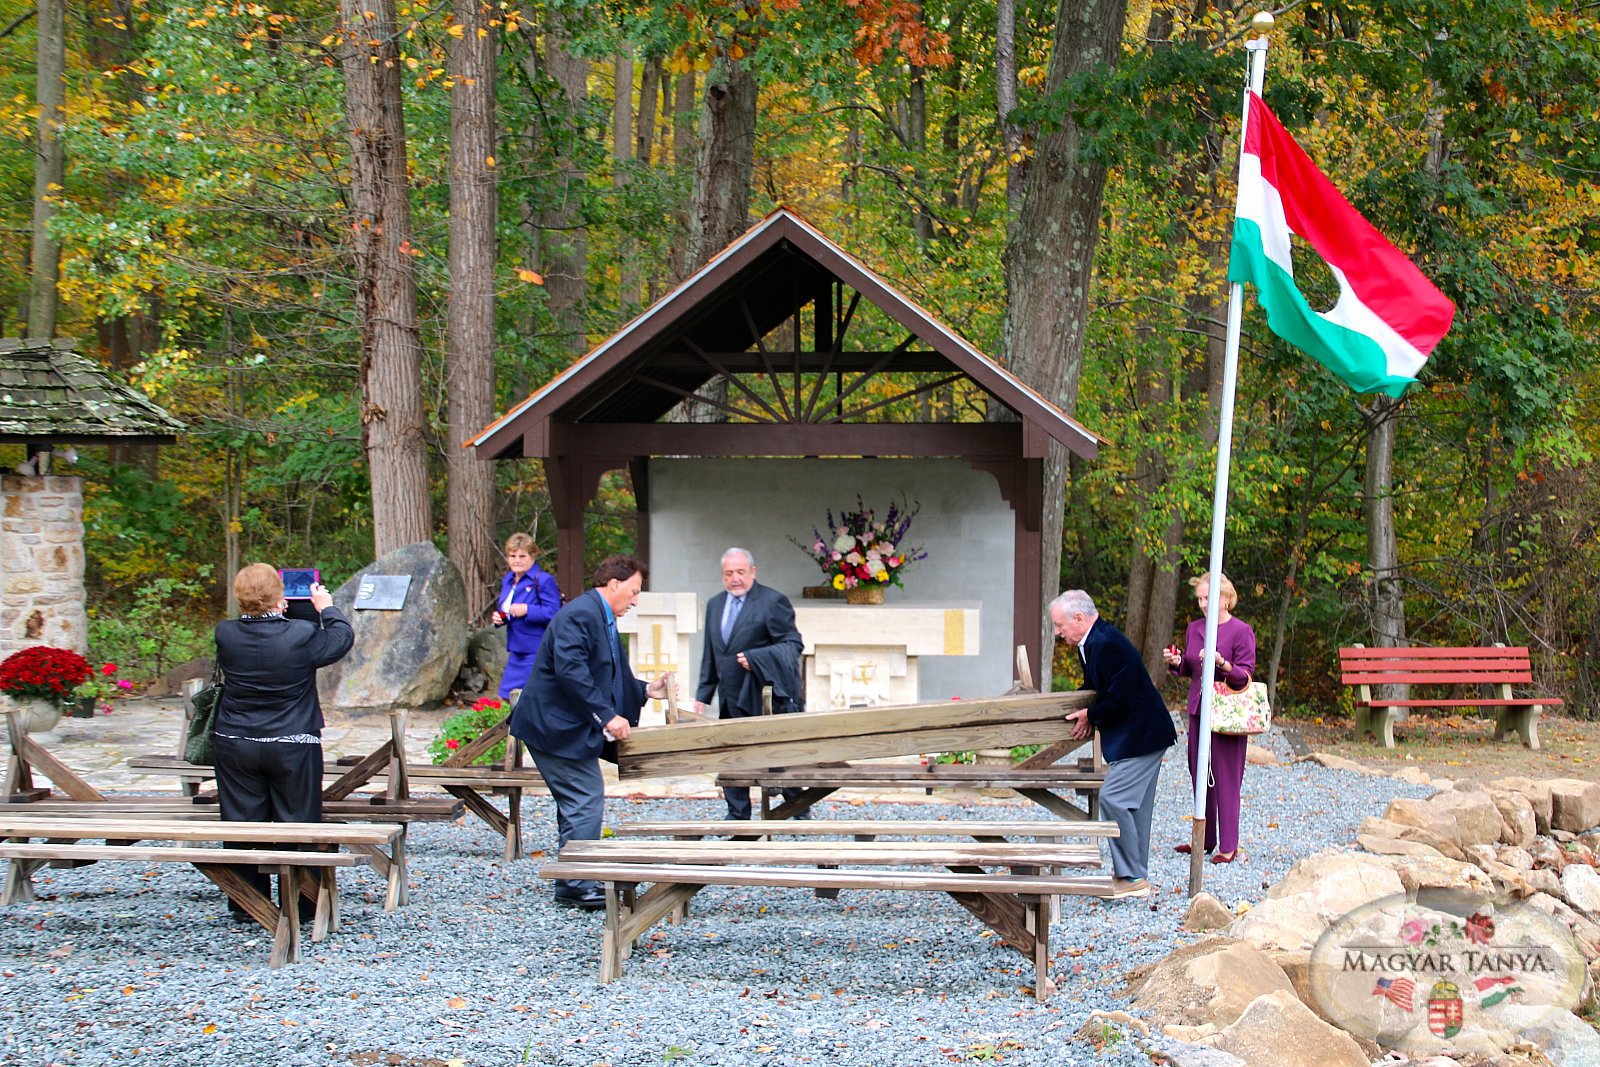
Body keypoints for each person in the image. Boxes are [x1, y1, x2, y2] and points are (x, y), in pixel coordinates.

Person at [510, 555, 668, 911]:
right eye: (633, 591)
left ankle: (575, 876)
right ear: (613, 584)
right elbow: (571, 671)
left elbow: (606, 673)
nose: (635, 600)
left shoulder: (601, 616)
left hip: (561, 725)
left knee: (577, 799)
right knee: (585, 795)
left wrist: (644, 690)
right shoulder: (581, 614)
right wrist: (606, 716)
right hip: (551, 727)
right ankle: (576, 882)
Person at [213, 563, 355, 916]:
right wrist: (327, 608)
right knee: (299, 820)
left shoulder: (225, 634)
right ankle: (303, 904)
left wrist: (278, 611)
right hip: (293, 741)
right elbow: (341, 640)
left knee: (241, 822)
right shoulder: (302, 633)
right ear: (280, 597)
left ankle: (248, 903)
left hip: (235, 740)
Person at [1053, 589, 1176, 897]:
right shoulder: (1092, 642)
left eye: (1060, 625)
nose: (1058, 632)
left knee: (1114, 798)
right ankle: (1136, 877)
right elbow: (1097, 687)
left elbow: (1120, 699)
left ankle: (1132, 875)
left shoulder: (1106, 644)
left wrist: (1091, 714)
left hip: (1142, 734)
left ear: (1079, 618)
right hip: (1139, 733)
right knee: (1136, 806)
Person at [695, 547, 807, 820]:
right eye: (728, 573)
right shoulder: (714, 604)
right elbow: (712, 653)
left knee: (778, 756)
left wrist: (757, 658)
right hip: (730, 696)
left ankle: (799, 808)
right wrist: (702, 695)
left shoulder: (772, 602)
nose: (735, 579)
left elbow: (793, 645)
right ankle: (737, 813)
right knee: (732, 754)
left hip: (764, 695)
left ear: (753, 572)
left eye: (740, 572)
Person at [1163, 572, 1256, 863]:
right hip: (1199, 710)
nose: (1203, 604)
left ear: (1226, 599)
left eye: (1209, 597)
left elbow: (1246, 675)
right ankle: (1204, 839)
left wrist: (1223, 663)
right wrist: (1177, 663)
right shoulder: (1194, 628)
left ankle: (1228, 845)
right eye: (1200, 598)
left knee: (1226, 777)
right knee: (1199, 773)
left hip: (1227, 714)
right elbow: (1191, 668)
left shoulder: (1241, 631)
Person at [492, 532, 561, 701]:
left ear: (532, 557)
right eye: (512, 555)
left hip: (536, 649)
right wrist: (501, 618)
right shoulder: (508, 580)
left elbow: (555, 613)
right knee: (508, 697)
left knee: (525, 698)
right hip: (516, 648)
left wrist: (528, 610)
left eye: (522, 556)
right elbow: (508, 609)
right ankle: (516, 728)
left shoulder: (543, 580)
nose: (517, 560)